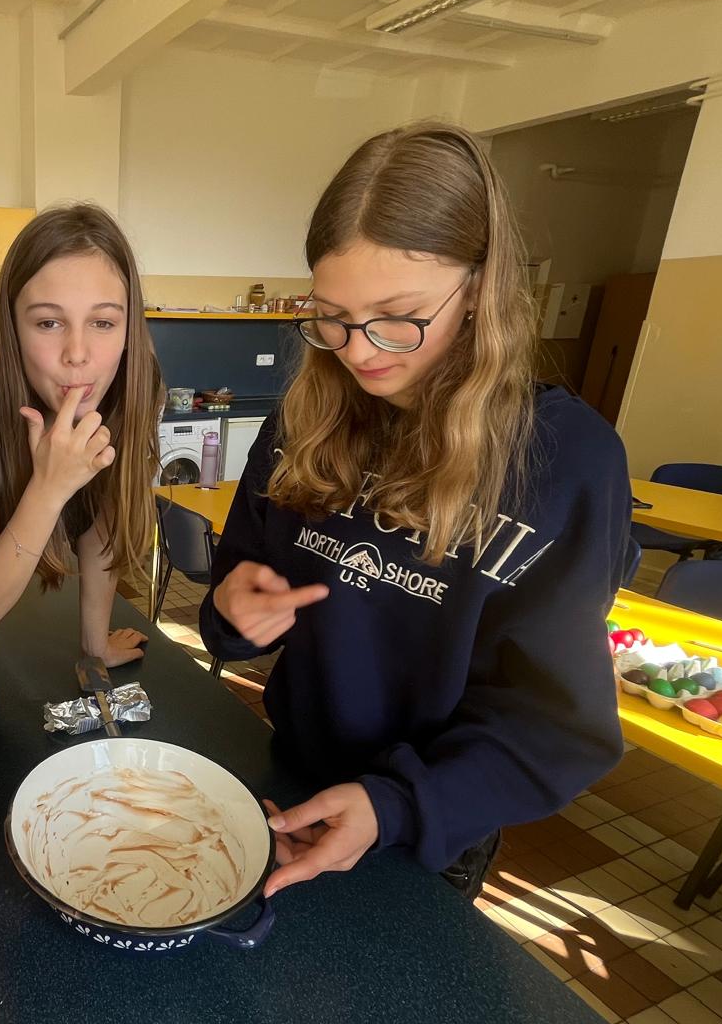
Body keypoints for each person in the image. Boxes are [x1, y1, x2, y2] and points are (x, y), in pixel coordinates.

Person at [201, 122, 629, 900]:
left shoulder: (567, 460)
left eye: (398, 316)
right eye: (332, 316)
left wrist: (394, 805)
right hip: (290, 777)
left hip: (429, 822)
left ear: (481, 290)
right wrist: (234, 611)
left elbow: (558, 727)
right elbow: (234, 593)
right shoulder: (301, 422)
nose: (359, 351)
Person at [0, 204, 164, 666]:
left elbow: (103, 523)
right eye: (48, 322)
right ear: (13, 328)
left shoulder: (129, 391)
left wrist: (95, 646)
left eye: (103, 322)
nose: (77, 354)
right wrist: (50, 487)